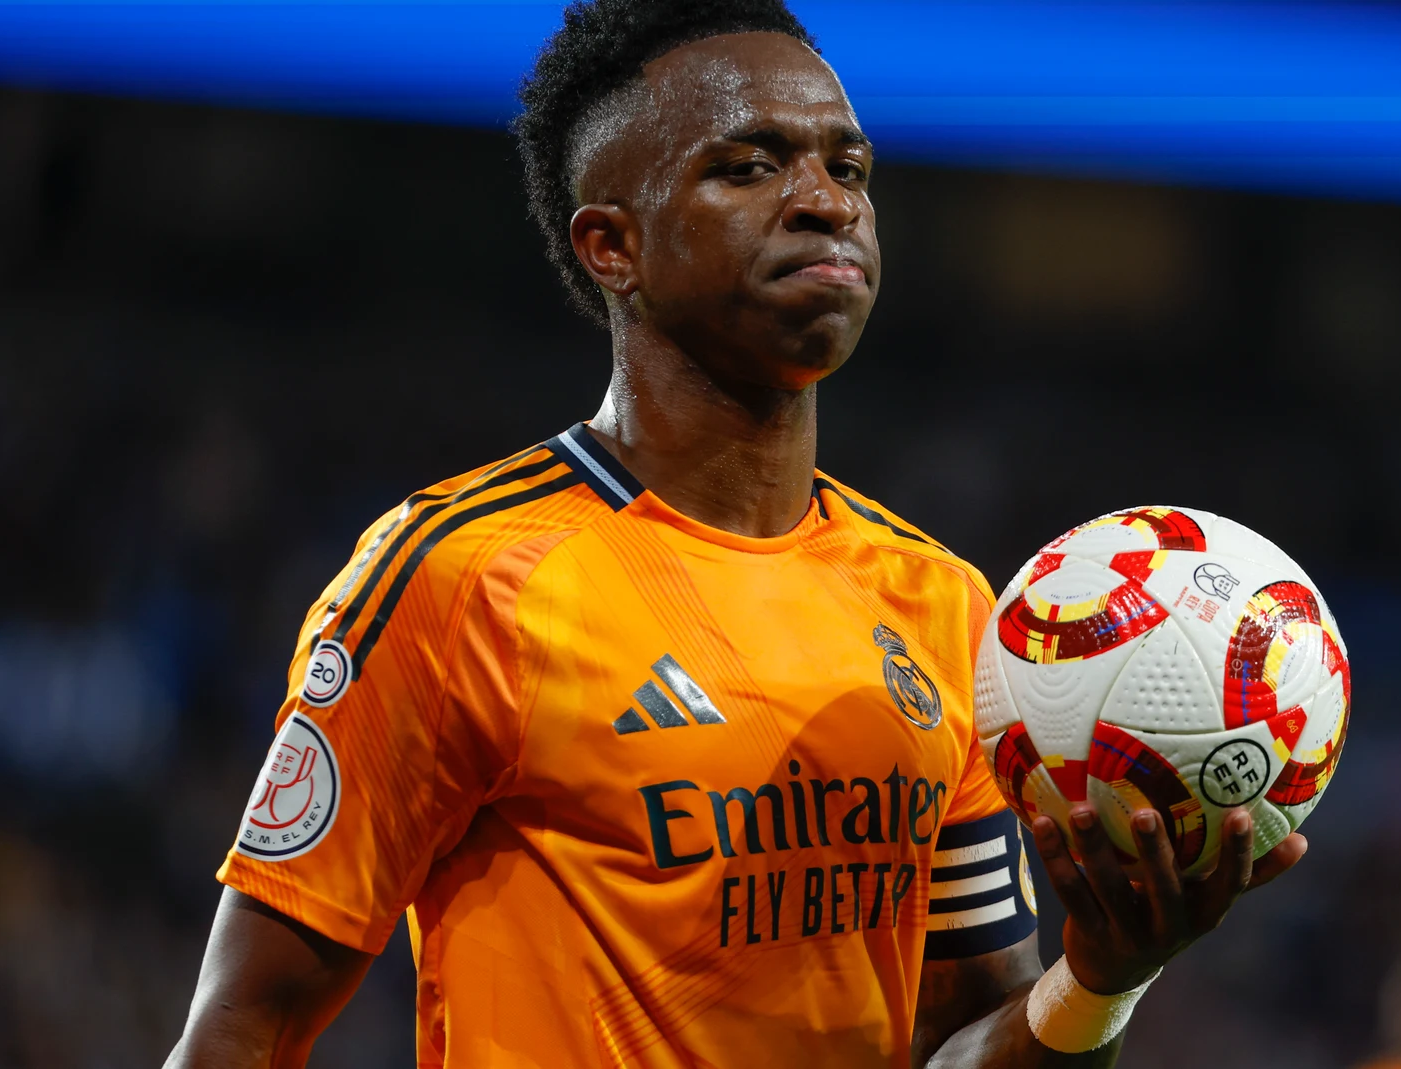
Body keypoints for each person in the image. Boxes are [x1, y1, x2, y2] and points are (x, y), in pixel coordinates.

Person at [164, 2, 1306, 1065]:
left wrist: (1102, 978)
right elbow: (239, 1029)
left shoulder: (945, 606)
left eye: (847, 167)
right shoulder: (460, 578)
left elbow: (956, 1046)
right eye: (749, 166)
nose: (826, 200)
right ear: (612, 247)